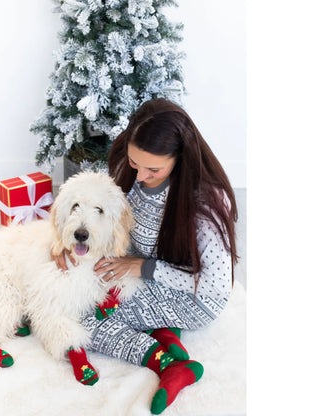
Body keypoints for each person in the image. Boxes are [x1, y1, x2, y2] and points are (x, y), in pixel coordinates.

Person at [53, 98, 238, 414]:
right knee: (70, 293)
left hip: (193, 298)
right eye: (135, 163)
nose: (139, 176)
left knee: (79, 322)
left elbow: (215, 285)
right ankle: (164, 332)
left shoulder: (205, 202)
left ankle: (169, 366)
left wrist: (144, 267)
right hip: (143, 271)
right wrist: (64, 244)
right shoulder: (130, 165)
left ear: (181, 158)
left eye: (154, 169)